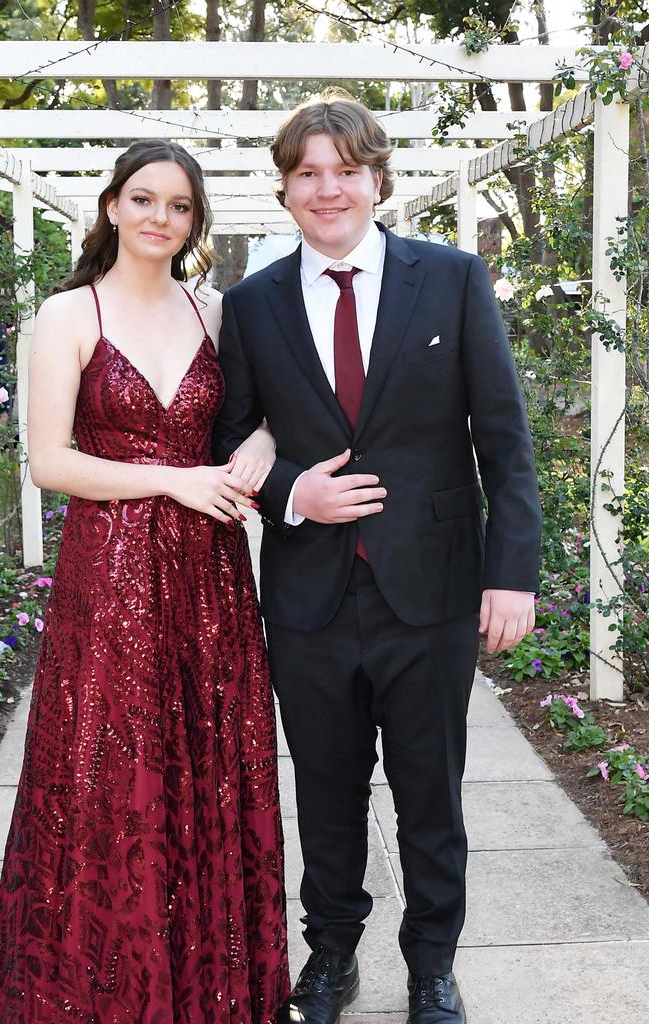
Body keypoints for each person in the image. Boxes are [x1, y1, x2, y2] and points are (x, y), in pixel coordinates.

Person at [213, 94, 542, 1024]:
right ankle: (332, 956)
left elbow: (505, 441)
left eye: (345, 170)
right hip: (310, 593)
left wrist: (510, 572)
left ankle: (433, 965)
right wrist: (291, 496)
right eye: (308, 172)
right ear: (285, 189)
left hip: (431, 592)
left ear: (376, 179)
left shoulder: (452, 278)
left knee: (430, 791)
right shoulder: (253, 305)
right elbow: (233, 435)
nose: (328, 189)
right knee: (323, 789)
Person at [0, 140, 290, 1023]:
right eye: (144, 199)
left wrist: (253, 453)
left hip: (209, 581)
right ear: (113, 206)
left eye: (180, 205)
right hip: (108, 578)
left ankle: (211, 987)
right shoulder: (69, 313)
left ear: (196, 222)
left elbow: (261, 421)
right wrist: (173, 479)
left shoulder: (217, 313)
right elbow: (49, 464)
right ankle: (101, 993)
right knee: (112, 778)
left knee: (208, 769)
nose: (160, 217)